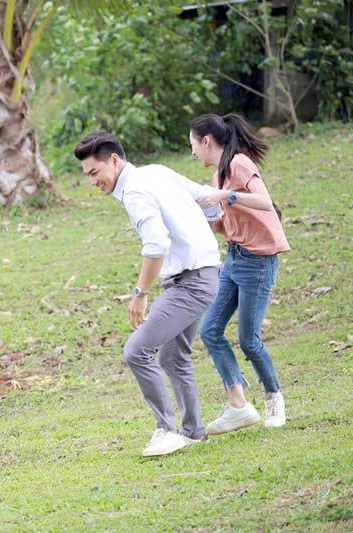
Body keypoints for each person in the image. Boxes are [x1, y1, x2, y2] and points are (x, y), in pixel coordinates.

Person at [74, 132, 221, 457]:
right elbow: (206, 196)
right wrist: (209, 231)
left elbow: (156, 245)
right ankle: (194, 432)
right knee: (172, 356)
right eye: (87, 176)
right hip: (204, 273)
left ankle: (166, 430)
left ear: (114, 160)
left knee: (137, 351)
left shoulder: (136, 190)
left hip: (191, 281)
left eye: (94, 173)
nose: (92, 181)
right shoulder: (155, 171)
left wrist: (140, 294)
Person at [189, 113, 290, 434]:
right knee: (211, 331)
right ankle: (238, 405)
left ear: (206, 142)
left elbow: (264, 202)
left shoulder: (239, 165)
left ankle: (274, 397)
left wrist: (224, 196)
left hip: (258, 262)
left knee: (249, 340)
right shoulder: (219, 174)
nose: (192, 152)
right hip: (233, 259)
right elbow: (226, 222)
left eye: (192, 144)